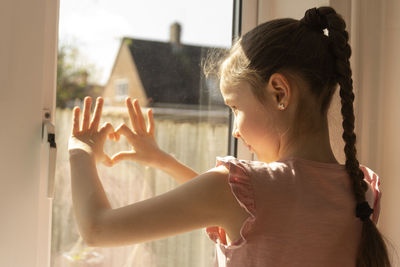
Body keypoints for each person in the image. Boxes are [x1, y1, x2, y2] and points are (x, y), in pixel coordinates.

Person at [68, 6, 392, 267]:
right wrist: (162, 160)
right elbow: (253, 209)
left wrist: (79, 150)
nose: (235, 128)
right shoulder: (363, 190)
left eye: (235, 106)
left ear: (279, 93)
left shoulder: (240, 188)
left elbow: (98, 228)